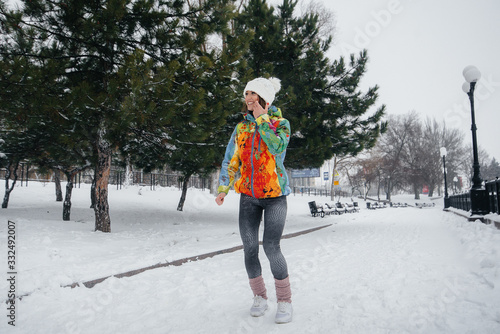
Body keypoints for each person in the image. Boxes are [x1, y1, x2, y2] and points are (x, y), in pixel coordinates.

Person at [215, 77, 293, 324]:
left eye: (253, 93)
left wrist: (262, 120)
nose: (248, 98)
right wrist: (223, 188)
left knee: (271, 247)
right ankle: (259, 296)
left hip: (275, 197)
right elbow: (231, 160)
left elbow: (277, 148)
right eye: (246, 93)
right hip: (248, 197)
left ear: (265, 99)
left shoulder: (281, 124)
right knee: (249, 247)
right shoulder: (241, 128)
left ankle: (284, 300)